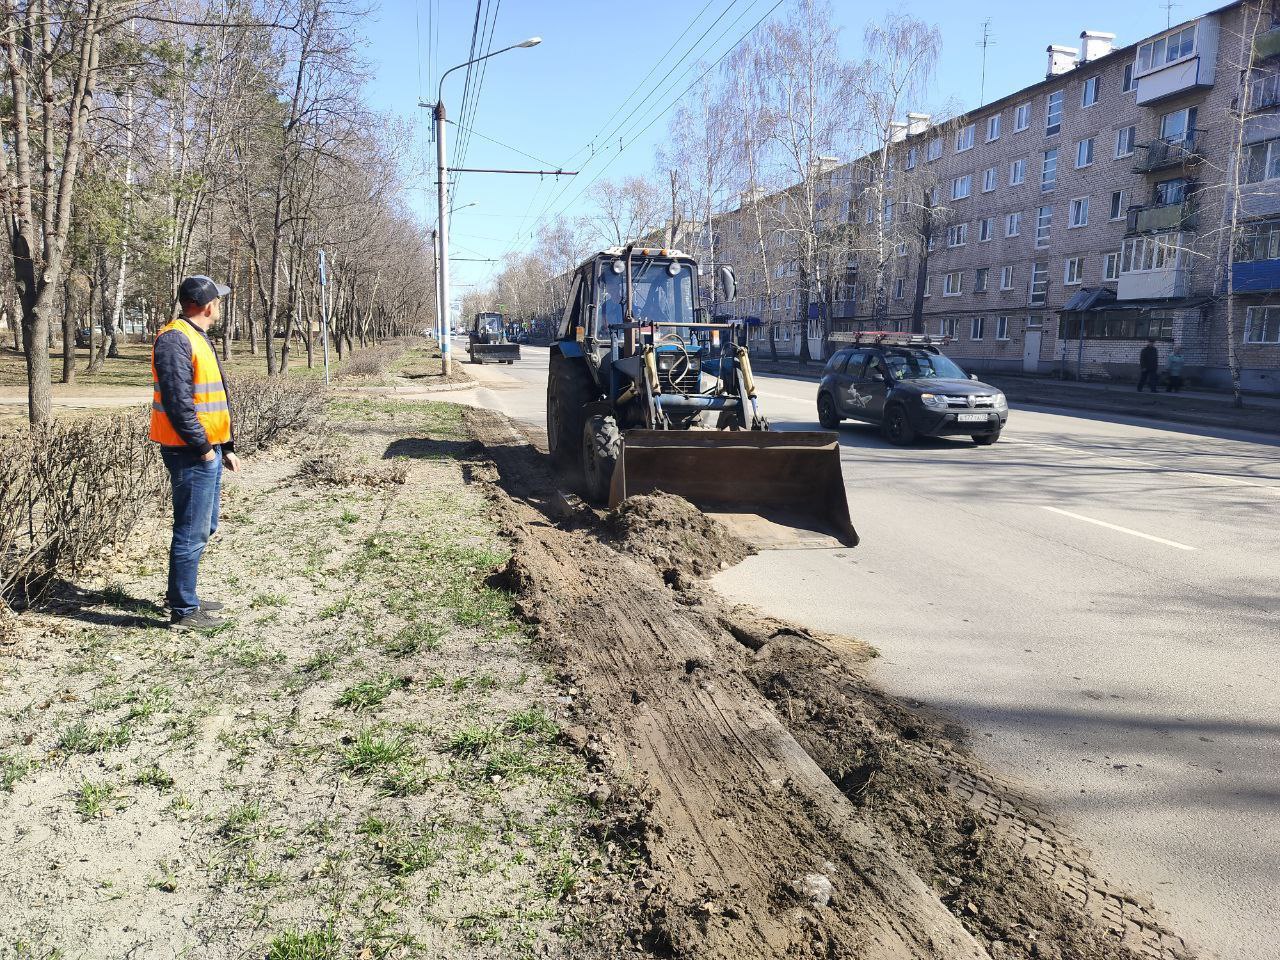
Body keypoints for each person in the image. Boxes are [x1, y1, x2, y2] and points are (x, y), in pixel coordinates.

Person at [151, 276, 242, 630]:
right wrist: (204, 448)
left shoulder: (196, 336)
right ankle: (184, 610)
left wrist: (226, 446)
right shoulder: (175, 339)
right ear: (207, 306)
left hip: (208, 449)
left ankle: (182, 594)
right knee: (191, 531)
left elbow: (214, 397)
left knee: (205, 526)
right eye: (217, 300)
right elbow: (178, 403)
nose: (219, 305)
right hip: (190, 452)